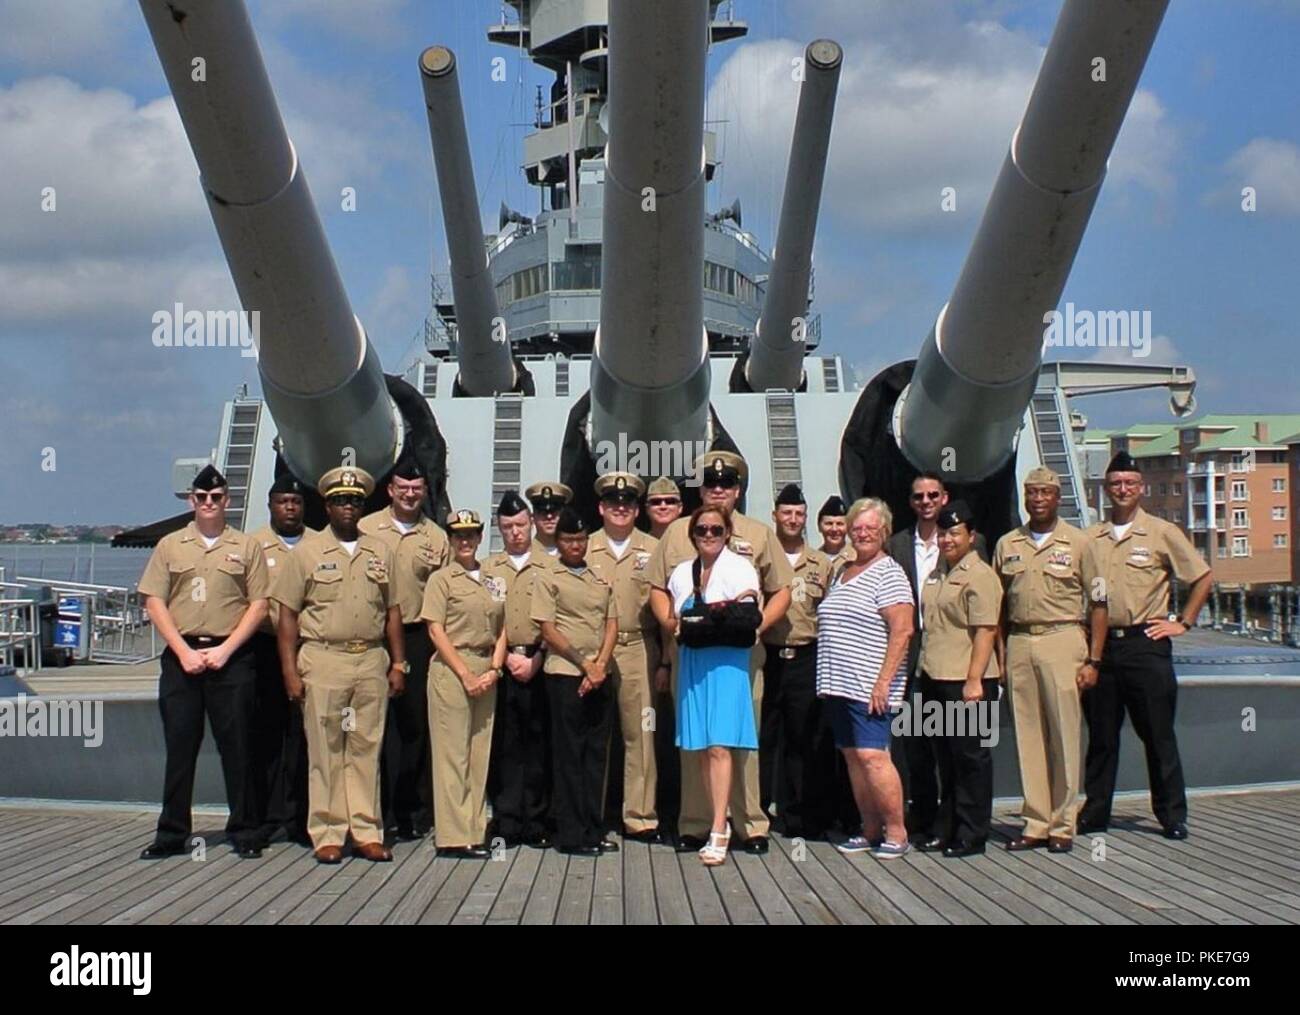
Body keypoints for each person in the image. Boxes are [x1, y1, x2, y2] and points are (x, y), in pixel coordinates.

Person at [648, 451, 792, 854]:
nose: (718, 490)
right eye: (711, 484)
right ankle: (695, 822)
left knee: (740, 741)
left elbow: (781, 589)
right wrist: (669, 623)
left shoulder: (760, 535)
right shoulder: (679, 532)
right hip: (690, 656)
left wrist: (755, 627)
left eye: (726, 484)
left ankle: (750, 823)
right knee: (696, 739)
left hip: (740, 659)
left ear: (738, 489)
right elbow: (657, 586)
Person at [274, 467, 406, 864]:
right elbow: (287, 617)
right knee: (325, 750)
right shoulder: (307, 554)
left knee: (367, 748)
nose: (348, 507)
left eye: (354, 501)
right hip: (323, 659)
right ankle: (328, 831)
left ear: (363, 506)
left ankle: (366, 830)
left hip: (369, 659)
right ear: (327, 506)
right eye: (339, 501)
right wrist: (289, 672)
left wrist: (399, 663)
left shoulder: (381, 551)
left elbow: (393, 612)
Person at [138, 465, 270, 860]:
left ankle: (245, 828)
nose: (208, 503)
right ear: (191, 500)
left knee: (239, 747)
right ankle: (172, 832)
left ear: (227, 500)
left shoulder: (246, 547)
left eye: (216, 497)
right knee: (180, 747)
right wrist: (183, 651)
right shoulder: (169, 546)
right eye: (201, 497)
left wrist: (226, 650)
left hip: (231, 658)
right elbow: (154, 601)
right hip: (183, 658)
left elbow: (259, 604)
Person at [1079, 451, 1212, 840]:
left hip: (1145, 644)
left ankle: (1171, 814)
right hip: (1102, 648)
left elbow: (1202, 578)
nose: (1123, 490)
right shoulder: (1091, 538)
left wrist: (1182, 622)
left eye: (1129, 484)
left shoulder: (1161, 532)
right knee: (1102, 737)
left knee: (1157, 734)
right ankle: (1096, 812)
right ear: (1107, 489)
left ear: (1141, 488)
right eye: (1116, 484)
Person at [995, 466, 1108, 854]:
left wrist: (1094, 659)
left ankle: (1063, 823)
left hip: (1063, 637)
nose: (1038, 499)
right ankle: (1035, 821)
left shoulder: (1080, 543)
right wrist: (1001, 652)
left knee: (1064, 733)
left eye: (1045, 492)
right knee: (1028, 736)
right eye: (1031, 493)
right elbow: (997, 605)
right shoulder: (1008, 544)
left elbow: (1099, 603)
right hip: (1021, 640)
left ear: (1057, 498)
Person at [886, 471, 988, 840]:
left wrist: (991, 669)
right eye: (919, 497)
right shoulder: (897, 544)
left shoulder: (976, 548)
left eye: (933, 495)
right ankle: (924, 819)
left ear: (944, 497)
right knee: (917, 745)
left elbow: (988, 618)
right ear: (911, 502)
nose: (926, 502)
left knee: (961, 748)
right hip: (914, 658)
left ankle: (957, 823)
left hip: (958, 660)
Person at [816, 498, 915, 859]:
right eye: (857, 528)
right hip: (838, 683)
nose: (862, 534)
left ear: (884, 532)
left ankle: (897, 831)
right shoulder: (842, 570)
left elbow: (902, 630)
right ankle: (869, 828)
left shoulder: (889, 572)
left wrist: (884, 681)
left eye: (870, 529)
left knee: (874, 756)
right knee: (853, 757)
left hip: (869, 684)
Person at [663, 506, 762, 866]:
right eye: (702, 529)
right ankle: (714, 819)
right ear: (692, 534)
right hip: (693, 664)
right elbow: (675, 618)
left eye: (716, 530)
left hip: (726, 665)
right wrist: (706, 620)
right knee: (702, 747)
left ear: (727, 533)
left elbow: (748, 618)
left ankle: (721, 827)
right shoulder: (680, 573)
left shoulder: (739, 568)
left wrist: (702, 622)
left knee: (720, 746)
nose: (709, 534)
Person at [359, 461, 448, 842]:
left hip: (417, 637)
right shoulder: (366, 529)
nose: (410, 494)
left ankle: (410, 810)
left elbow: (445, 596)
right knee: (371, 730)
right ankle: (374, 811)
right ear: (390, 490)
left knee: (413, 728)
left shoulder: (437, 538)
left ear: (425, 492)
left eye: (417, 488)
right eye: (403, 487)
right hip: (371, 639)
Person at [917, 500, 1002, 857]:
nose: (947, 539)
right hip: (937, 675)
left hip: (967, 680)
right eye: (942, 533)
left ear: (971, 535)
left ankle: (972, 833)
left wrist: (974, 680)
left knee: (971, 759)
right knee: (946, 759)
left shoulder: (980, 576)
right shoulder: (938, 573)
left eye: (954, 533)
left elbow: (985, 631)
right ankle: (947, 826)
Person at [532, 508, 620, 856]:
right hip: (565, 674)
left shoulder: (600, 578)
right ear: (559, 541)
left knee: (597, 754)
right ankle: (570, 834)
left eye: (581, 540)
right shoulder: (548, 576)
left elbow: (611, 622)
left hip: (600, 675)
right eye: (568, 540)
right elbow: (547, 628)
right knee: (570, 755)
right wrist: (584, 664)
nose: (575, 546)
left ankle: (592, 828)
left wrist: (598, 665)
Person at [421, 509, 507, 859]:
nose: (466, 540)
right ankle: (453, 836)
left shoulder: (494, 579)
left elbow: (503, 627)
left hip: (486, 667)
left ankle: (474, 828)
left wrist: (495, 669)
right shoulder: (441, 579)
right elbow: (435, 629)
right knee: (452, 753)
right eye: (459, 535)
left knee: (478, 753)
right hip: (452, 667)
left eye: (472, 534)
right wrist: (465, 674)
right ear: (450, 539)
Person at [587, 472, 662, 843]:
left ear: (636, 510)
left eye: (629, 504)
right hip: (593, 652)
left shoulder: (653, 549)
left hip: (639, 649)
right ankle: (592, 814)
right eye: (614, 504)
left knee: (642, 734)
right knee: (594, 734)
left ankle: (640, 816)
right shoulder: (583, 550)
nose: (621, 509)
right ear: (601, 507)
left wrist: (663, 661)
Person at [760, 483, 836, 840]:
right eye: (786, 513)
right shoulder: (761, 555)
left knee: (802, 738)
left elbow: (830, 613)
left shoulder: (821, 564)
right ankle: (757, 812)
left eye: (799, 514)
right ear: (775, 516)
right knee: (763, 737)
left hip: (806, 656)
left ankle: (798, 816)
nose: (793, 520)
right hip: (767, 656)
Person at [483, 491, 553, 849]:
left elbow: (558, 619)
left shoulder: (549, 564)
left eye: (521, 525)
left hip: (540, 660)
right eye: (507, 527)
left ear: (532, 524)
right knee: (506, 744)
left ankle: (536, 820)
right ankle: (507, 819)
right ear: (499, 529)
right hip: (503, 663)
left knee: (538, 743)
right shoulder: (488, 569)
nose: (515, 533)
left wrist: (536, 658)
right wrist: (505, 657)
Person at [249, 473, 314, 847]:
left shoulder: (320, 545)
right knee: (265, 735)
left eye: (296, 502)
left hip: (310, 648)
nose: (290, 507)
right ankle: (267, 817)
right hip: (266, 648)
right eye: (282, 501)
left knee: (305, 738)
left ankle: (302, 817)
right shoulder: (253, 545)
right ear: (271, 505)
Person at [644, 476, 684, 830]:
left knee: (680, 731)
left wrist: (668, 661)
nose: (663, 508)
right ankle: (649, 807)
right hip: (643, 650)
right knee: (647, 731)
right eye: (656, 503)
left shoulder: (694, 544)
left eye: (670, 502)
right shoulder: (638, 546)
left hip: (679, 652)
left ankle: (679, 806)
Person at [525, 481, 573, 556]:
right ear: (533, 517)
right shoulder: (522, 554)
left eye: (555, 511)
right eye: (543, 512)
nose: (549, 516)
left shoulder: (577, 553)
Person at [817, 495, 851, 568]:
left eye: (840, 524)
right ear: (819, 527)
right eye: (829, 523)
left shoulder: (858, 557)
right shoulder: (812, 561)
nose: (834, 529)